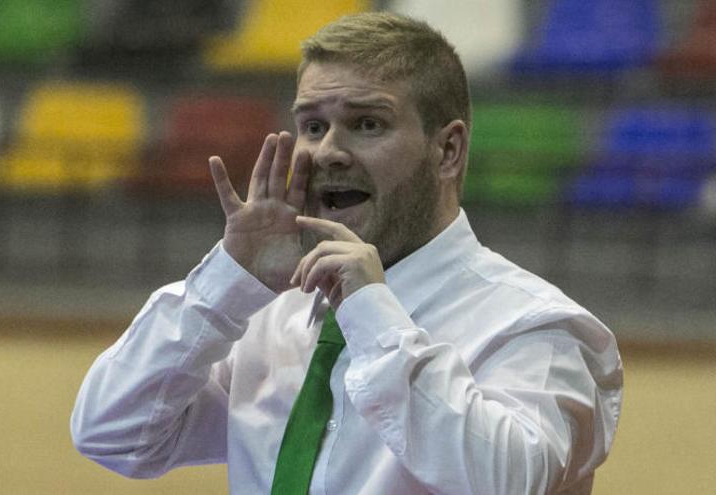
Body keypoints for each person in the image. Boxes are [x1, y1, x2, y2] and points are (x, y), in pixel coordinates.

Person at [71, 12, 623, 494]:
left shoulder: (537, 329)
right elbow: (111, 434)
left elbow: (504, 483)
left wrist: (370, 313)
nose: (328, 151)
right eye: (313, 125)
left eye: (366, 124)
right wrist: (229, 282)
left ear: (448, 150)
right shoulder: (269, 319)